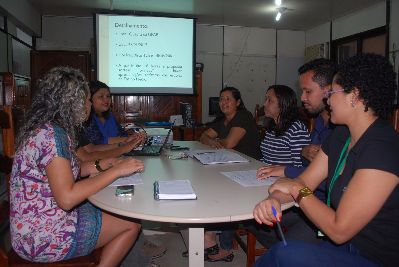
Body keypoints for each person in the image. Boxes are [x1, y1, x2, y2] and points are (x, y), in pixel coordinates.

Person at [253, 53, 399, 267]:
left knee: (286, 254)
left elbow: (339, 230)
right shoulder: (340, 135)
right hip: (344, 244)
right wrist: (274, 199)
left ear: (354, 96)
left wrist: (295, 190)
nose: (327, 100)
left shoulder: (383, 149)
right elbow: (305, 181)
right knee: (281, 253)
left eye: (331, 92)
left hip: (373, 256)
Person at [10, 67, 144, 266]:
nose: (89, 104)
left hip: (33, 225)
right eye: (88, 99)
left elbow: (65, 172)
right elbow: (67, 198)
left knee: (118, 211)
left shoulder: (47, 128)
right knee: (131, 224)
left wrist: (103, 164)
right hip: (40, 237)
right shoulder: (52, 137)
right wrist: (117, 171)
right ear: (74, 103)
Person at [256, 58, 337, 244]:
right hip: (305, 197)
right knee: (254, 217)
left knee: (286, 251)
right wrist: (277, 195)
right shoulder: (318, 123)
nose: (301, 98)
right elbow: (307, 177)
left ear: (329, 91)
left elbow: (326, 178)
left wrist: (285, 170)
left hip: (320, 205)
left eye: (308, 91)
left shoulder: (341, 132)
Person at [198, 86, 261, 262]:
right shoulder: (222, 120)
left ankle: (224, 246)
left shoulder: (243, 116)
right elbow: (203, 137)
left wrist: (217, 141)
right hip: (229, 165)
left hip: (249, 167)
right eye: (221, 99)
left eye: (228, 99)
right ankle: (210, 233)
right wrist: (214, 141)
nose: (223, 102)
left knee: (224, 194)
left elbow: (229, 143)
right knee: (206, 183)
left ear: (238, 102)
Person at [85, 80, 129, 145]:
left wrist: (135, 137)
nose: (106, 100)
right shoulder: (86, 119)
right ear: (89, 99)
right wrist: (127, 140)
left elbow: (122, 134)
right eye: (101, 96)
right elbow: (98, 142)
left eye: (108, 96)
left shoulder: (110, 116)